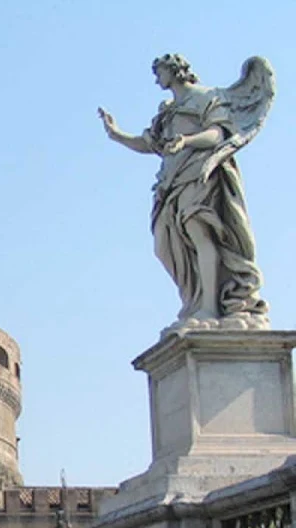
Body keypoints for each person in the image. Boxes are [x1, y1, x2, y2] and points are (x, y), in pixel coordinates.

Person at [98, 54, 274, 330]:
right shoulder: (168, 110)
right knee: (164, 245)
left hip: (199, 173)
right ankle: (195, 300)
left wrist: (186, 141)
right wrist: (116, 134)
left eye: (159, 72)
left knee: (201, 235)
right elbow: (150, 144)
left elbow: (219, 134)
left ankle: (210, 307)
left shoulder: (205, 97)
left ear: (175, 70)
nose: (157, 79)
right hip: (171, 182)